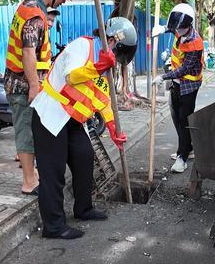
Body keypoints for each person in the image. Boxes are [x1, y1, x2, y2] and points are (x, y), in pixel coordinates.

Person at [30, 17, 137, 239]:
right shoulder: (83, 46)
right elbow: (71, 77)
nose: (117, 59)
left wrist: (113, 129)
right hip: (52, 114)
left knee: (84, 157)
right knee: (54, 173)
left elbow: (104, 102)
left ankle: (83, 208)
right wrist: (97, 66)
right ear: (110, 40)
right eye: (118, 53)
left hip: (74, 120)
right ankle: (54, 227)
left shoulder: (107, 68)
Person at [4, 0, 79, 196]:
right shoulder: (35, 16)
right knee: (26, 130)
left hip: (20, 80)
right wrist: (35, 87)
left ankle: (32, 174)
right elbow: (28, 52)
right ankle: (29, 181)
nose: (64, 2)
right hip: (23, 84)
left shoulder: (27, 5)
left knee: (30, 129)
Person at [152, 3, 204, 173]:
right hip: (176, 83)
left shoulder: (195, 43)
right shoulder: (177, 28)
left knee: (184, 120)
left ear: (189, 25)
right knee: (175, 115)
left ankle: (182, 157)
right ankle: (187, 148)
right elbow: (171, 28)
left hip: (189, 84)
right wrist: (162, 29)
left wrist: (163, 77)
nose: (177, 31)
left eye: (180, 29)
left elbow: (185, 69)